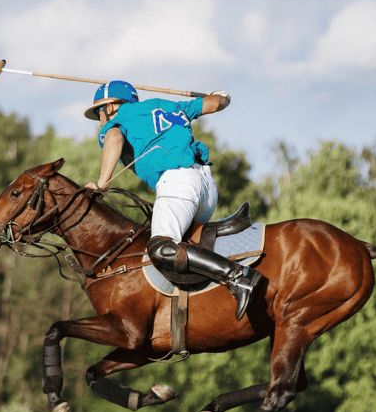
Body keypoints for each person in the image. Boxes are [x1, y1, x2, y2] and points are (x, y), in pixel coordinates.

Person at [84, 81, 262, 320]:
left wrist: (101, 182)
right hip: (206, 186)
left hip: (179, 183)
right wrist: (222, 95)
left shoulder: (118, 120)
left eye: (99, 111)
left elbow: (114, 138)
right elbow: (217, 103)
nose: (100, 119)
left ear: (113, 105)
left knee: (160, 248)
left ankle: (238, 277)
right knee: (184, 248)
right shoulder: (170, 105)